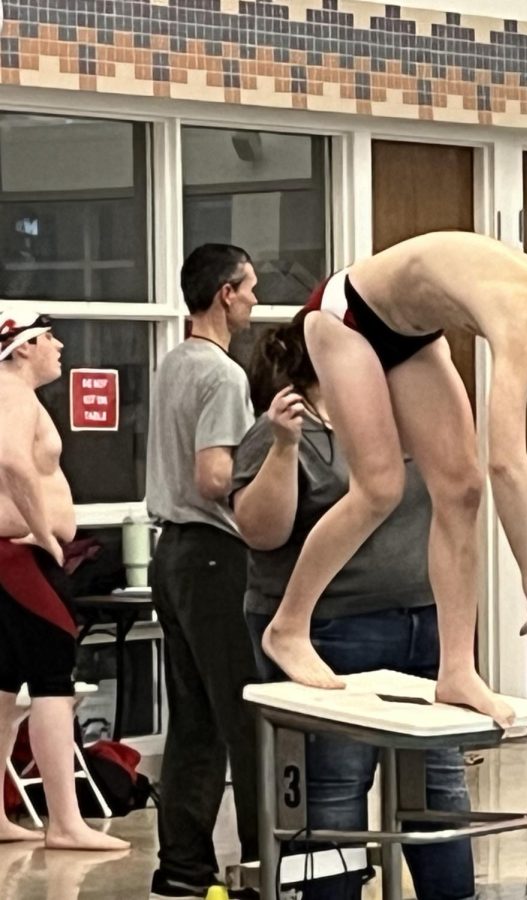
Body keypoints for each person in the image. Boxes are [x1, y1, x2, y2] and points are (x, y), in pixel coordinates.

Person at [262, 232, 527, 726]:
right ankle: (289, 626)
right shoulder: (525, 325)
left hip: (411, 332)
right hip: (349, 315)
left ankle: (456, 669)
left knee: (460, 491)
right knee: (380, 488)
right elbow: (506, 462)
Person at [233, 323, 474, 900]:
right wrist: (285, 448)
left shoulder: (396, 423)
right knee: (336, 787)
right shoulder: (283, 431)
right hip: (335, 629)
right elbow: (261, 533)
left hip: (422, 618)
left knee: (440, 782)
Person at [146, 245, 260, 899]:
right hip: (217, 557)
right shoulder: (222, 376)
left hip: (173, 555)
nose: (253, 299)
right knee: (246, 717)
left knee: (193, 718)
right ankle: (258, 863)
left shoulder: (173, 363)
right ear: (224, 293)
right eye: (247, 288)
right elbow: (215, 474)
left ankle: (183, 868)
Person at [0, 311, 129, 852]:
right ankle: (65, 822)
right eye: (47, 336)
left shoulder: (12, 394)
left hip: (12, 556)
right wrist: (43, 532)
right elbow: (9, 459)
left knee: (5, 688)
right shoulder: (12, 392)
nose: (59, 345)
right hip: (22, 557)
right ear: (22, 346)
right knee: (54, 679)